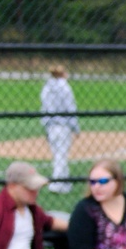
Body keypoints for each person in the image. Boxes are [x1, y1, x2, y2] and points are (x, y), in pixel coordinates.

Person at [40, 65, 80, 194]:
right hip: (63, 125)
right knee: (62, 155)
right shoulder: (65, 87)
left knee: (57, 155)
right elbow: (70, 107)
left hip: (51, 125)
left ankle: (65, 183)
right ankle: (56, 184)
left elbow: (44, 109)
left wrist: (45, 126)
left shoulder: (46, 88)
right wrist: (76, 127)